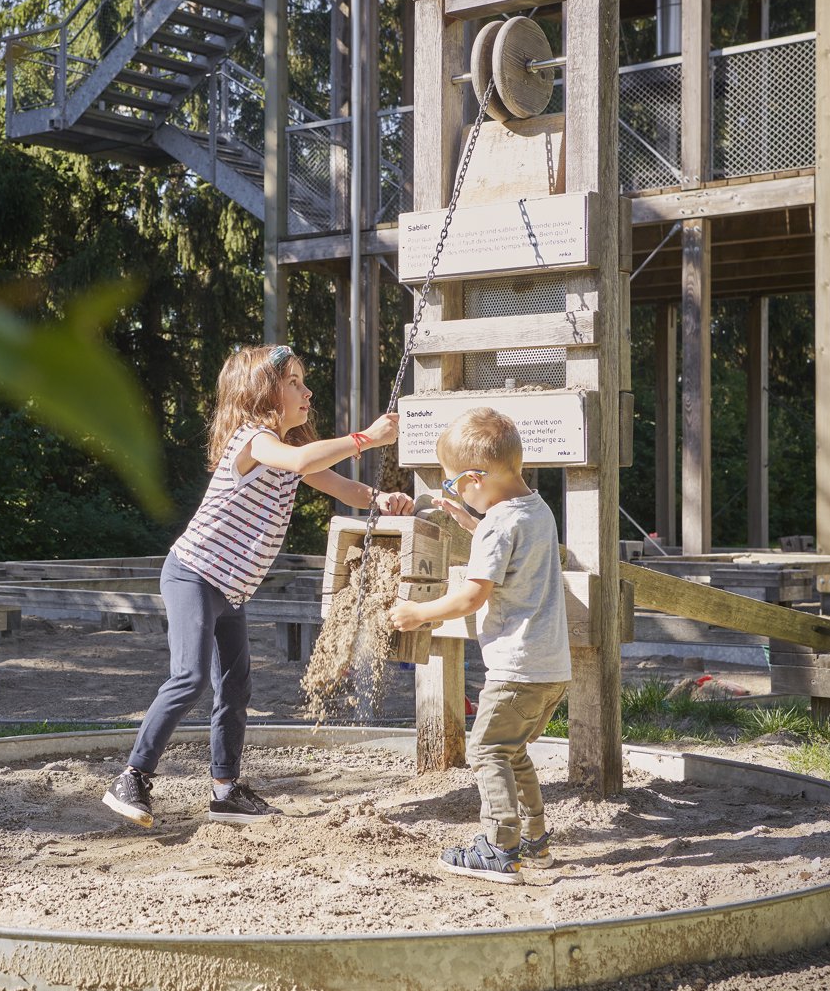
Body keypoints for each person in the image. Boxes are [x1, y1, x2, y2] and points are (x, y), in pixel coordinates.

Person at [103, 344, 416, 828]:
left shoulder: (290, 455)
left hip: (232, 589)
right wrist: (366, 438)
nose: (307, 390)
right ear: (263, 392)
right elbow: (301, 460)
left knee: (236, 685)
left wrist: (382, 498)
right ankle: (133, 777)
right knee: (189, 678)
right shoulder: (255, 440)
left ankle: (224, 789)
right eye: (294, 382)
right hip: (193, 574)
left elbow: (339, 487)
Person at [387, 407, 569, 884]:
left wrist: (417, 614)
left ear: (472, 479)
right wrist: (472, 524)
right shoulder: (537, 510)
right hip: (550, 667)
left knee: (486, 750)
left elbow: (472, 596)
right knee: (513, 751)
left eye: (451, 484)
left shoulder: (496, 526)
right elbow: (515, 550)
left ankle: (498, 847)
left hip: (515, 667)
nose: (452, 491)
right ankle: (535, 844)